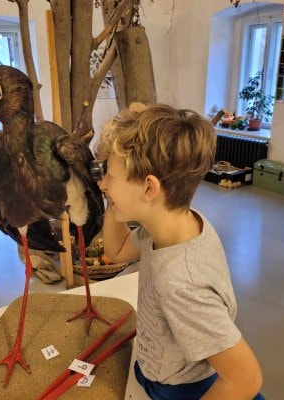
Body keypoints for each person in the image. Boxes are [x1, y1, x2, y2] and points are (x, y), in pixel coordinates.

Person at [96, 104, 264, 400]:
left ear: (149, 189)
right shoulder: (172, 224)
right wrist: (114, 199)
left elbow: (245, 380)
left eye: (110, 175)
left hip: (181, 390)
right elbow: (118, 250)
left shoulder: (181, 282)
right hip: (156, 367)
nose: (102, 184)